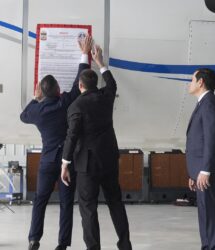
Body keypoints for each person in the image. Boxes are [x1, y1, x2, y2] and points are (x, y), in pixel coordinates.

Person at [20, 35, 93, 250]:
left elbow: (23, 116)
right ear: (58, 89)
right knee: (66, 204)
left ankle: (34, 240)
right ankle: (62, 245)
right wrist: (84, 53)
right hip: (66, 162)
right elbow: (79, 80)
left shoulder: (37, 111)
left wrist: (35, 99)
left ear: (42, 92)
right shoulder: (65, 102)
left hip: (47, 162)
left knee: (40, 201)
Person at [61, 45, 132, 250]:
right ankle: (125, 244)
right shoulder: (106, 97)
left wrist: (65, 163)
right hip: (109, 160)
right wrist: (100, 62)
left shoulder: (76, 106)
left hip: (87, 165)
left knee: (88, 209)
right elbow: (112, 83)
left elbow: (72, 135)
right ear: (95, 84)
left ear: (80, 86)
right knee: (115, 203)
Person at [186, 68, 215, 250]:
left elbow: (213, 139)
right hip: (202, 171)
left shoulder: (210, 103)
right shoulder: (203, 103)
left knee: (212, 217)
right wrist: (193, 173)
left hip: (208, 172)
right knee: (206, 216)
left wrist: (205, 170)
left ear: (200, 82)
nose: (189, 83)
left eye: (192, 79)